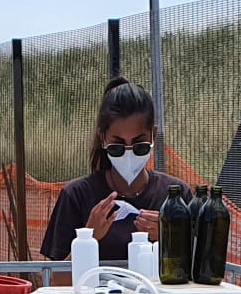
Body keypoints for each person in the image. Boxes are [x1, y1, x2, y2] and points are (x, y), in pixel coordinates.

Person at [40, 77, 184, 265]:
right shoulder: (77, 196)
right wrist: (88, 238)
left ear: (153, 136)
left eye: (139, 146)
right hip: (95, 286)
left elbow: (198, 270)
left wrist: (172, 237)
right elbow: (56, 278)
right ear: (103, 138)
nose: (129, 154)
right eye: (117, 147)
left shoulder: (175, 196)